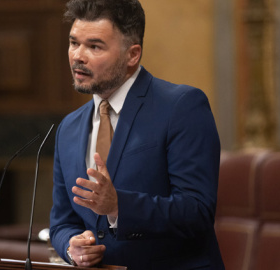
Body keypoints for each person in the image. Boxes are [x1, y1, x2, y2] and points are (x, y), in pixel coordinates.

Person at [49, 0, 225, 269]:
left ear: (132, 55)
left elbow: (196, 212)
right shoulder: (68, 128)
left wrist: (119, 206)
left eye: (94, 46)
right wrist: (73, 246)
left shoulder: (182, 107)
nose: (78, 56)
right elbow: (62, 222)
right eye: (74, 43)